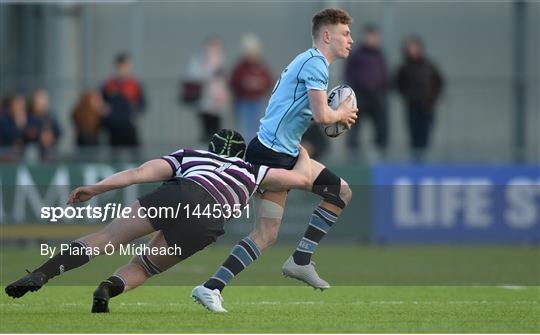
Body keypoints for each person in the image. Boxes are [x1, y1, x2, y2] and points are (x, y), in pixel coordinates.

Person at [5, 129, 312, 314]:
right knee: (144, 267)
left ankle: (43, 273)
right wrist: (299, 148)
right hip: (211, 218)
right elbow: (301, 178)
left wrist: (95, 188)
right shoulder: (252, 172)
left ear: (212, 146)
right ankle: (107, 289)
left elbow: (137, 174)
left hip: (183, 191)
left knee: (108, 237)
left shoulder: (191, 155)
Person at [195, 8, 358, 312]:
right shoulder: (316, 64)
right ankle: (212, 286)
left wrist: (331, 119)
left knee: (338, 193)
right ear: (327, 35)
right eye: (345, 33)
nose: (351, 39)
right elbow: (324, 117)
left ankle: (299, 260)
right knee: (267, 233)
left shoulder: (309, 61)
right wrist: (342, 115)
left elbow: (301, 114)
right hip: (270, 156)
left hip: (284, 152)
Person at [396, 36, 444, 162]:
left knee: (425, 134)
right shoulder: (404, 68)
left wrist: (432, 97)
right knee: (414, 135)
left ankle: (423, 160)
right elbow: (398, 85)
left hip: (427, 107)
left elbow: (439, 82)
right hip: (412, 107)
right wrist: (408, 96)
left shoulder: (429, 66)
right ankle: (415, 160)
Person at [344, 24, 388, 161]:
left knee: (381, 125)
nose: (372, 39)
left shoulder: (379, 55)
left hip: (376, 96)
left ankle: (378, 152)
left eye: (374, 36)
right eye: (369, 36)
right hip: (360, 96)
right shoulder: (357, 54)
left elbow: (384, 74)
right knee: (355, 124)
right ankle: (353, 153)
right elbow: (349, 73)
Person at [230, 34, 274, 141]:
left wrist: (259, 84)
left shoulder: (262, 67)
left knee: (257, 129)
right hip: (243, 102)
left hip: (258, 102)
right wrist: (246, 84)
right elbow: (233, 82)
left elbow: (269, 82)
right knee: (245, 129)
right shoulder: (240, 67)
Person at [185, 37, 230, 142]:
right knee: (206, 128)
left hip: (218, 102)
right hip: (204, 100)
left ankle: (214, 152)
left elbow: (224, 80)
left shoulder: (221, 61)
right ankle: (205, 150)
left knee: (216, 129)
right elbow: (193, 76)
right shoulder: (199, 60)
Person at [101, 52, 146, 152]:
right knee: (114, 152)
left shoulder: (134, 84)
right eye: (121, 66)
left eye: (126, 65)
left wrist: (135, 114)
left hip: (129, 125)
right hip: (113, 126)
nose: (124, 69)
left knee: (135, 152)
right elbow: (102, 101)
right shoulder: (109, 84)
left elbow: (142, 103)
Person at [25, 89, 62, 160]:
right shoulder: (28, 117)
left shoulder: (50, 117)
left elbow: (59, 132)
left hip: (49, 153)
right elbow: (23, 132)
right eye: (39, 101)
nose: (42, 104)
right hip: (32, 153)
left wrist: (51, 136)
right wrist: (39, 135)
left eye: (44, 101)